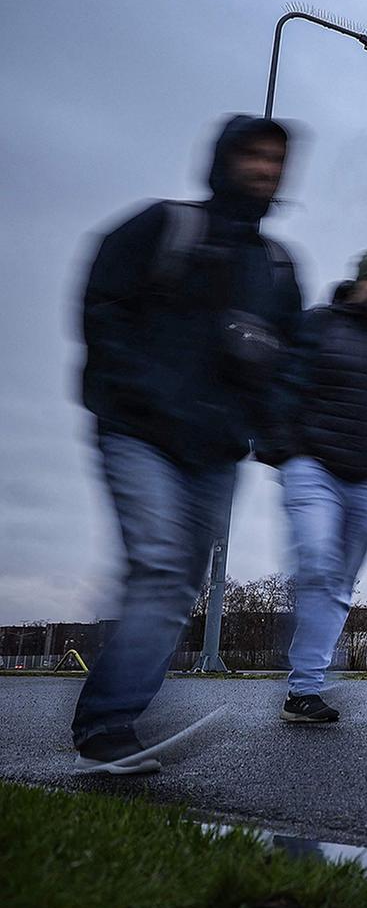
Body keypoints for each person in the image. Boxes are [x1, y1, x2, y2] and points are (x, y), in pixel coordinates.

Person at [71, 115, 303, 772]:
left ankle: (113, 709)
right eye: (254, 155)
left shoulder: (278, 269)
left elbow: (289, 367)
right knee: (159, 564)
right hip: (137, 432)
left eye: (276, 160)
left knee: (177, 587)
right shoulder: (163, 226)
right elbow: (100, 306)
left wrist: (270, 428)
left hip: (212, 452)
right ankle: (108, 726)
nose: (265, 169)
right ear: (226, 159)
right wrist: (136, 391)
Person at [260, 250, 367, 723]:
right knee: (316, 558)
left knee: (337, 585)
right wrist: (284, 448)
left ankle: (303, 693)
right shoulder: (318, 325)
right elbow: (280, 382)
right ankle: (302, 651)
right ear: (359, 283)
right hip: (311, 466)